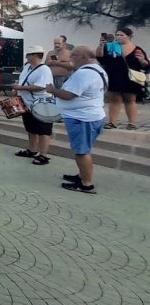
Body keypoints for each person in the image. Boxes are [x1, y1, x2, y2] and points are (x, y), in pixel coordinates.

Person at [47, 46, 108, 194]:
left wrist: (52, 90)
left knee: (81, 151)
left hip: (83, 118)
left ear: (84, 57)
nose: (70, 58)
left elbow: (69, 95)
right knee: (82, 149)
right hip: (90, 116)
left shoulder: (84, 74)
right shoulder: (98, 70)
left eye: (74, 55)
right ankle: (81, 176)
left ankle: (87, 184)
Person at [96, 27, 149, 130]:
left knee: (130, 100)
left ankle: (132, 123)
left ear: (128, 36)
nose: (118, 37)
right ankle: (112, 122)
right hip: (114, 76)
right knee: (115, 100)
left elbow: (146, 65)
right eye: (117, 35)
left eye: (121, 35)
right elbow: (100, 58)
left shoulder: (137, 49)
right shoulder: (110, 47)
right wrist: (101, 46)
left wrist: (142, 60)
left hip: (130, 78)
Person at [12, 46, 55, 165]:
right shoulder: (27, 67)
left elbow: (41, 86)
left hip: (42, 103)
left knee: (43, 130)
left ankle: (44, 155)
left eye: (28, 54)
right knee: (30, 128)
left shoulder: (44, 69)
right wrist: (17, 90)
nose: (26, 56)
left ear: (35, 55)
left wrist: (20, 88)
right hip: (26, 102)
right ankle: (32, 149)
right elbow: (22, 81)